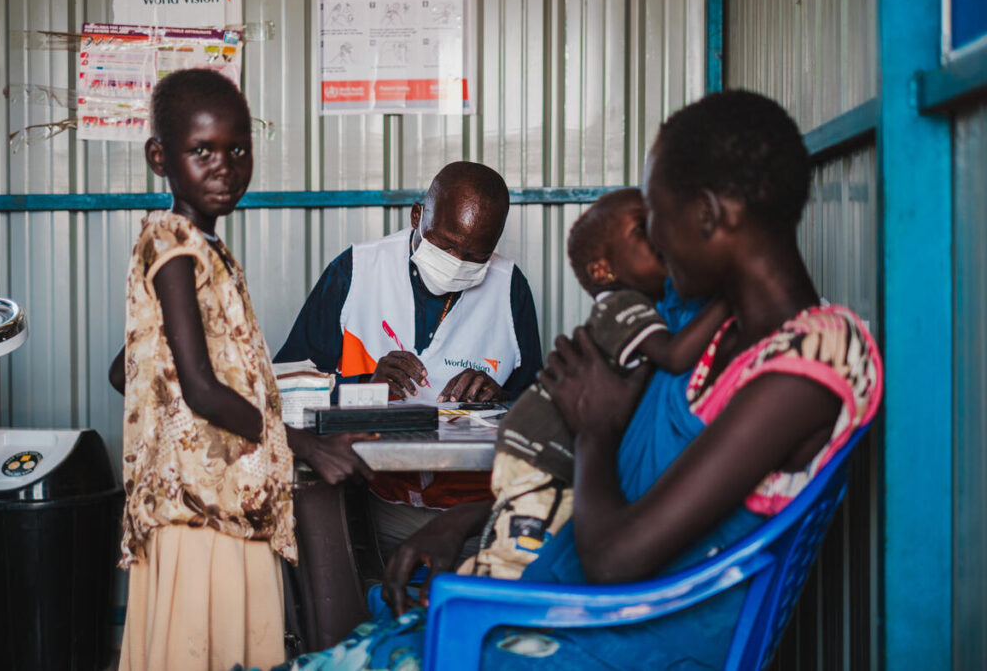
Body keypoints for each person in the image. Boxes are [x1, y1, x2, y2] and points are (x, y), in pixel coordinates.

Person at [261, 89, 883, 670]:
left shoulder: (806, 365)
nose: (654, 244)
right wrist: (461, 521)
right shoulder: (705, 328)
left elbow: (615, 554)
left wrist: (597, 429)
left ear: (707, 216)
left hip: (618, 634)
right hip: (572, 597)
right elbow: (598, 475)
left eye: (654, 217)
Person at [107, 68, 374, 671]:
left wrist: (157, 388)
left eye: (237, 149)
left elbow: (126, 370)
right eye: (201, 150)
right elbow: (201, 389)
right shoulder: (174, 244)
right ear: (160, 157)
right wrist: (303, 443)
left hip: (221, 496)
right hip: (202, 509)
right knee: (208, 649)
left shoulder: (203, 248)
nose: (223, 165)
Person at [275, 161, 543, 558]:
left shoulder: (509, 288)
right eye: (447, 245)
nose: (457, 263)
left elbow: (537, 410)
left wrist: (501, 397)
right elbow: (285, 394)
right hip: (377, 505)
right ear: (418, 215)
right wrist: (362, 387)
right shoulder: (357, 271)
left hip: (476, 514)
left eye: (475, 256)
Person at [472, 188, 729, 579]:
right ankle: (483, 596)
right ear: (603, 270)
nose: (658, 237)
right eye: (643, 230)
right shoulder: (625, 305)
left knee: (533, 538)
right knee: (519, 553)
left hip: (545, 449)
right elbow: (675, 356)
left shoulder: (640, 307)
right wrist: (728, 298)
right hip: (543, 450)